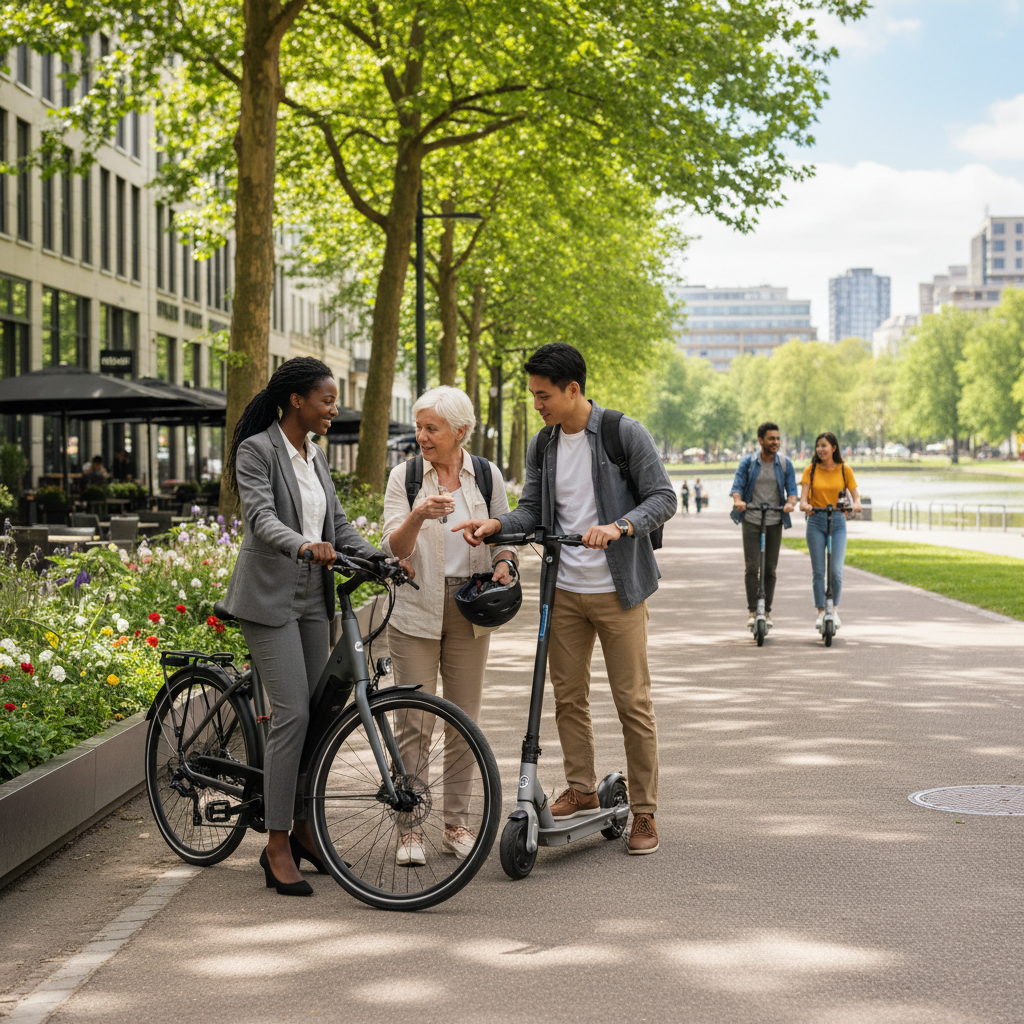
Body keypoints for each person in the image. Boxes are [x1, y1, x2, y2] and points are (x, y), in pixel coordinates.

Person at [455, 343, 677, 855]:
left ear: (573, 389)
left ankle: (644, 811)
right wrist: (496, 525)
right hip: (565, 590)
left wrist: (621, 526)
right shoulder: (544, 444)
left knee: (632, 703)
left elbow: (663, 497)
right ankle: (581, 788)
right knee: (568, 697)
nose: (537, 404)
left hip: (620, 590)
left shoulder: (624, 433)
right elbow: (532, 511)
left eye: (544, 395)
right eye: (534, 396)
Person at [222, 357, 412, 897]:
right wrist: (304, 544)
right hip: (268, 597)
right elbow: (261, 519)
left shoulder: (315, 454)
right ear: (297, 400)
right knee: (293, 714)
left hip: (313, 597)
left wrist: (380, 559)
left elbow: (338, 524)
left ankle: (304, 828)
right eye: (327, 401)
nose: (333, 409)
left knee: (320, 716)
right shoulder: (257, 450)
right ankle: (276, 843)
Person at [381, 386, 518, 867]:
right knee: (413, 722)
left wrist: (503, 561)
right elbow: (393, 548)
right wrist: (418, 515)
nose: (421, 436)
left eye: (431, 428)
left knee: (463, 721)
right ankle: (409, 827)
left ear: (460, 431)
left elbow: (505, 533)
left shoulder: (486, 475)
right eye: (419, 427)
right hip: (415, 606)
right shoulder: (405, 476)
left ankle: (456, 823)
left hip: (469, 605)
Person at [730, 423, 798, 631]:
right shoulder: (748, 462)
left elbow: (792, 490)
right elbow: (737, 486)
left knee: (770, 568)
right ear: (761, 440)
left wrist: (790, 503)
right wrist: (738, 500)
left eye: (777, 439)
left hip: (774, 520)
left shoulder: (784, 463)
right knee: (752, 566)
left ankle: (766, 611)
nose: (775, 442)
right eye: (771, 439)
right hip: (752, 518)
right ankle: (753, 611)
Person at [798, 431, 862, 632]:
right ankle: (820, 612)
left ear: (834, 448)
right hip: (816, 520)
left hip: (838, 521)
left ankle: (833, 610)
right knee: (818, 571)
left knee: (836, 570)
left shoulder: (845, 470)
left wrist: (856, 505)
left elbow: (856, 496)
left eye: (824, 445)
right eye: (818, 446)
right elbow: (802, 500)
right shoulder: (810, 470)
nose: (820, 449)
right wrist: (805, 506)